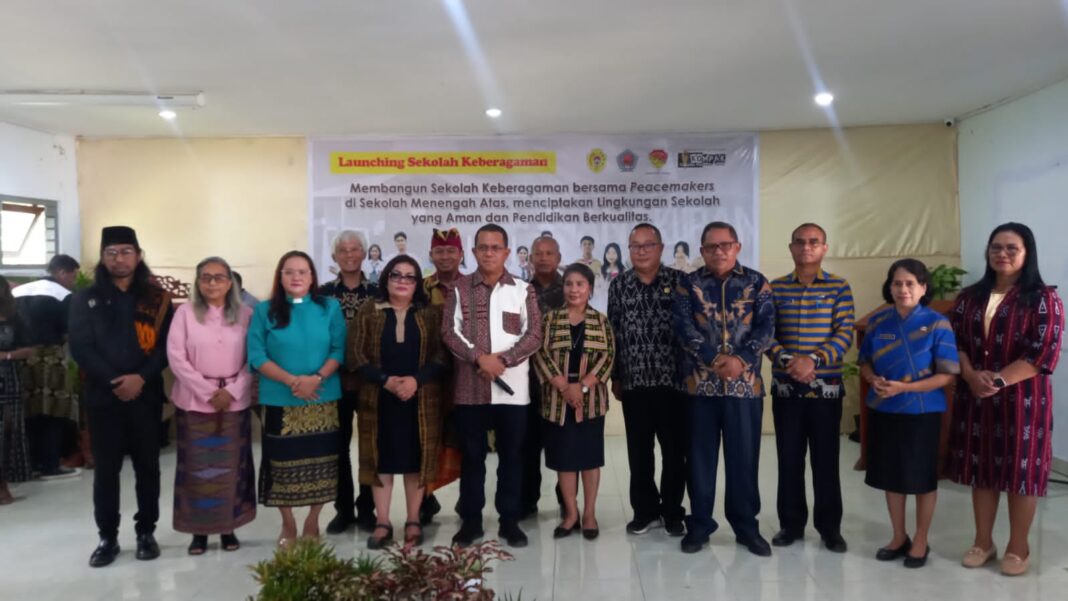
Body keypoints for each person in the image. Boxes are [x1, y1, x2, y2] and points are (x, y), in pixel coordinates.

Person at [947, 222, 1064, 576]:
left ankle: (1018, 547)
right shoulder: (969, 297)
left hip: (1024, 399)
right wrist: (971, 375)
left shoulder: (1044, 298)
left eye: (1012, 248)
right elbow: (955, 343)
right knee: (981, 469)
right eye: (996, 247)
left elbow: (1043, 352)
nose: (1003, 254)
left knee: (1021, 471)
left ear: (1027, 253)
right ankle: (983, 542)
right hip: (976, 395)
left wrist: (997, 380)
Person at [69, 226, 175, 567]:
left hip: (146, 395)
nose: (119, 259)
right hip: (104, 397)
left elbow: (166, 347)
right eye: (112, 253)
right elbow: (81, 347)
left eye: (126, 251)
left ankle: (146, 532)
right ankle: (107, 537)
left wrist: (140, 378)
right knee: (106, 471)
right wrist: (116, 381)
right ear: (103, 258)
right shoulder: (84, 298)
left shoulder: (157, 299)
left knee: (148, 467)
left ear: (138, 256)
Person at [673, 221, 775, 557]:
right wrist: (714, 358)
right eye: (711, 246)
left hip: (744, 389)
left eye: (725, 245)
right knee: (699, 461)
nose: (719, 251)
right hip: (699, 388)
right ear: (702, 251)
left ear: (737, 247)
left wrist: (741, 360)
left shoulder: (756, 282)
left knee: (743, 460)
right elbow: (684, 327)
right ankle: (700, 525)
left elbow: (767, 327)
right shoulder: (689, 284)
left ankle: (746, 527)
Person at [442, 224, 543, 548]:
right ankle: (471, 522)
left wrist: (504, 360)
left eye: (495, 247)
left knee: (512, 458)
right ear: (473, 252)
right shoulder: (459, 288)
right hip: (470, 390)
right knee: (472, 458)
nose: (489, 253)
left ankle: (509, 522)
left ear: (506, 252)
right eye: (483, 247)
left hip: (513, 394)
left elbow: (534, 334)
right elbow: (449, 332)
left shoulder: (523, 290)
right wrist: (479, 359)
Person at [858, 259, 959, 569]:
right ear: (889, 287)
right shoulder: (878, 322)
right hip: (884, 409)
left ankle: (920, 539)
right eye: (897, 283)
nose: (903, 289)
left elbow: (947, 375)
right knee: (892, 475)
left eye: (910, 284)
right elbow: (864, 362)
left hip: (921, 412)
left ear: (923, 288)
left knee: (921, 477)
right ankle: (898, 536)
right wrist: (872, 378)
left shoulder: (938, 324)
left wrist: (905, 389)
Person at [247, 251, 346, 547]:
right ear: (280, 277)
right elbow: (256, 355)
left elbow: (339, 349)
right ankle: (288, 522)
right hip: (280, 398)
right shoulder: (265, 310)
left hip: (322, 396)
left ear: (312, 276)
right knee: (281, 465)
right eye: (289, 272)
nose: (296, 277)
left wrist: (316, 378)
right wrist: (293, 381)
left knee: (322, 463)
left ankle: (313, 520)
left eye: (303, 271)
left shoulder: (329, 307)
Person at [766, 223, 855, 553]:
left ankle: (830, 529)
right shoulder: (775, 288)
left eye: (814, 242)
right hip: (787, 390)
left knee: (826, 460)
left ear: (824, 248)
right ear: (791, 247)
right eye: (800, 242)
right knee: (789, 459)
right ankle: (790, 525)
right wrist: (791, 361)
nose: (807, 247)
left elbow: (844, 333)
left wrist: (813, 360)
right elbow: (766, 334)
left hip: (825, 391)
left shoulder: (839, 287)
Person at [350, 255, 448, 549]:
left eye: (409, 276)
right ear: (386, 279)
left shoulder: (430, 313)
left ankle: (413, 519)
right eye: (396, 275)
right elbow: (355, 356)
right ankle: (382, 521)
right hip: (379, 399)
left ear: (417, 283)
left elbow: (442, 356)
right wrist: (385, 381)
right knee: (381, 460)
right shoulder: (369, 310)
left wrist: (416, 381)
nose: (403, 281)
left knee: (415, 461)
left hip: (420, 400)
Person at [167, 257, 256, 555]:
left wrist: (231, 391)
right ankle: (199, 532)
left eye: (219, 277)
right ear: (198, 282)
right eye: (206, 277)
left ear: (230, 283)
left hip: (234, 403)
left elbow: (254, 358)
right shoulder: (184, 314)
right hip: (194, 403)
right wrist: (208, 392)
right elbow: (176, 357)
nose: (212, 283)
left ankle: (228, 528)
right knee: (197, 471)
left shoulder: (246, 314)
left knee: (231, 469)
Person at [607, 223, 687, 536]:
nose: (641, 251)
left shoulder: (679, 282)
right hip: (634, 382)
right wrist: (616, 376)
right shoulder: (619, 285)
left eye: (647, 245)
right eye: (635, 246)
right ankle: (645, 512)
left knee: (674, 452)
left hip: (674, 382)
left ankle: (673, 512)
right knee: (639, 452)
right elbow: (614, 333)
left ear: (661, 248)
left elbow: (690, 330)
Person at [534, 263, 615, 540]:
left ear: (589, 288)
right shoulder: (550, 320)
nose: (574, 289)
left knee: (590, 459)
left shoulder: (600, 321)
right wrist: (564, 387)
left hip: (590, 401)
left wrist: (582, 387)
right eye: (569, 284)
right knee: (565, 460)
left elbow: (608, 357)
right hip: (558, 400)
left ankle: (589, 513)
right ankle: (571, 514)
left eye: (580, 284)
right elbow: (540, 354)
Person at [319, 231, 378, 535]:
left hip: (371, 382)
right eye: (343, 250)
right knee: (337, 448)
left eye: (355, 249)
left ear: (364, 254)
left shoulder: (379, 292)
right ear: (334, 257)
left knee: (371, 447)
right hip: (334, 382)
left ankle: (367, 509)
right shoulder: (322, 294)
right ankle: (342, 509)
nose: (349, 254)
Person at [13, 254, 81, 479]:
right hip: (51, 359)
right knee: (55, 411)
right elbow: (69, 332)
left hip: (20, 360)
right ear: (62, 272)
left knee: (28, 412)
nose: (73, 281)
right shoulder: (63, 295)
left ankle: (30, 464)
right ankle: (50, 465)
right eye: (73, 276)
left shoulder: (17, 291)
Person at [419, 227, 466, 523]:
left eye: (451, 251)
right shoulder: (420, 288)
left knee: (465, 441)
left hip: (466, 376)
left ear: (461, 254)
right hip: (429, 378)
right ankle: (425, 501)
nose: (445, 256)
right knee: (427, 439)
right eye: (439, 251)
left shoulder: (472, 286)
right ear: (431, 255)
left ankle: (468, 501)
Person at [520, 236, 566, 518]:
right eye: (539, 253)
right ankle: (527, 502)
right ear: (530, 259)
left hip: (563, 383)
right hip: (528, 384)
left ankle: (567, 502)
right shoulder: (520, 291)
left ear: (558, 258)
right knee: (527, 448)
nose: (544, 258)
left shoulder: (571, 289)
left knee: (564, 448)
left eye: (550, 253)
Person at [0, 276, 35, 505]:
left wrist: (7, 355)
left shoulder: (14, 316)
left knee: (7, 433)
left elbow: (30, 349)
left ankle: (3, 484)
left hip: (7, 378)